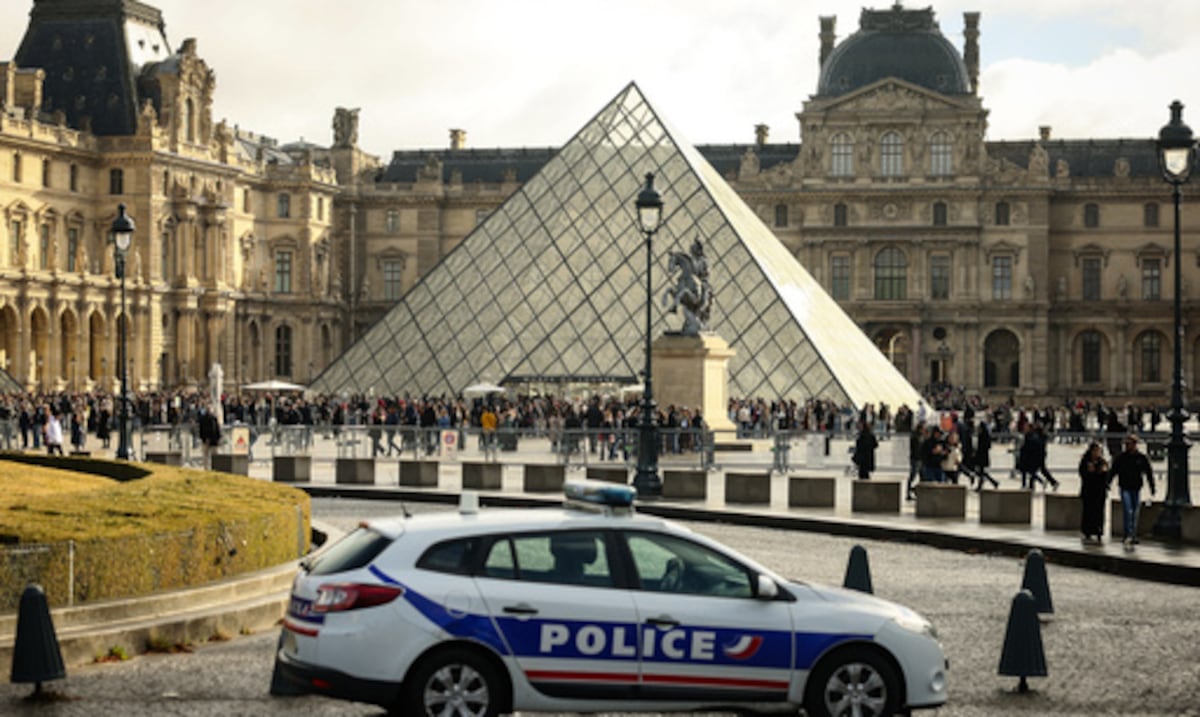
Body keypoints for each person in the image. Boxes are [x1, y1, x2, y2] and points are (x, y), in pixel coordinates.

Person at [1108, 434, 1156, 546]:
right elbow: (1113, 471)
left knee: (1135, 512)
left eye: (1130, 444)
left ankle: (1132, 534)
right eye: (1126, 444)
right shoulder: (1121, 458)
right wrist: (1108, 483)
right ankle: (1128, 534)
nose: (1127, 446)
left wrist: (1152, 487)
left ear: (1135, 445)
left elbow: (1148, 473)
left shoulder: (1141, 458)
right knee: (1127, 510)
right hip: (1124, 487)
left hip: (1136, 488)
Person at [1077, 441, 1110, 543]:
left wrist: (1103, 472)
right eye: (1095, 450)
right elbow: (1083, 474)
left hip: (1100, 491)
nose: (1097, 453)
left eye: (1099, 451)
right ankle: (1087, 530)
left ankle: (1099, 530)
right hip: (1088, 490)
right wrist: (1089, 472)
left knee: (1099, 511)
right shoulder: (1085, 461)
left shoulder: (1103, 462)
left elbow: (1106, 477)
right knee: (1088, 511)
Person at [198, 402, 221, 469]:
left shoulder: (214, 418)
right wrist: (204, 439)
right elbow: (202, 430)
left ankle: (214, 467)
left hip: (213, 440)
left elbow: (216, 429)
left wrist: (218, 438)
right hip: (207, 440)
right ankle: (207, 468)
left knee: (213, 456)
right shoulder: (203, 419)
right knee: (206, 456)